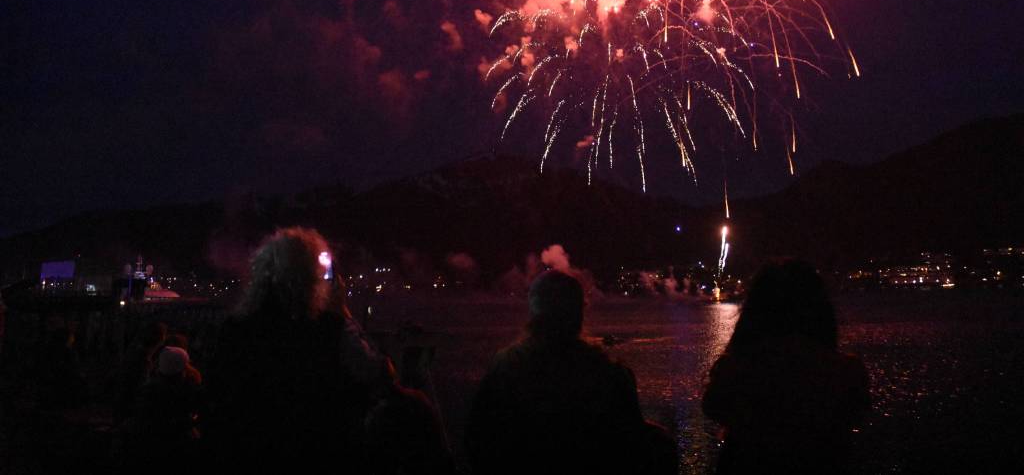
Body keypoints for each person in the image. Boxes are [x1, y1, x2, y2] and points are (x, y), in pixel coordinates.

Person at [204, 227, 451, 474]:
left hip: (246, 453)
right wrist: (342, 311)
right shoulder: (329, 328)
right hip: (324, 452)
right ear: (310, 278)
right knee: (416, 408)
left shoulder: (234, 329)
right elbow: (382, 375)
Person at [467, 269, 675, 475]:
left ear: (534, 311)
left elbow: (477, 438)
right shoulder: (611, 373)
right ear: (579, 313)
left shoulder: (505, 366)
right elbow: (631, 445)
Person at [702, 259, 871, 474]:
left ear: (756, 311)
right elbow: (857, 413)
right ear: (819, 309)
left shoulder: (737, 368)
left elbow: (713, 407)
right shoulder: (846, 371)